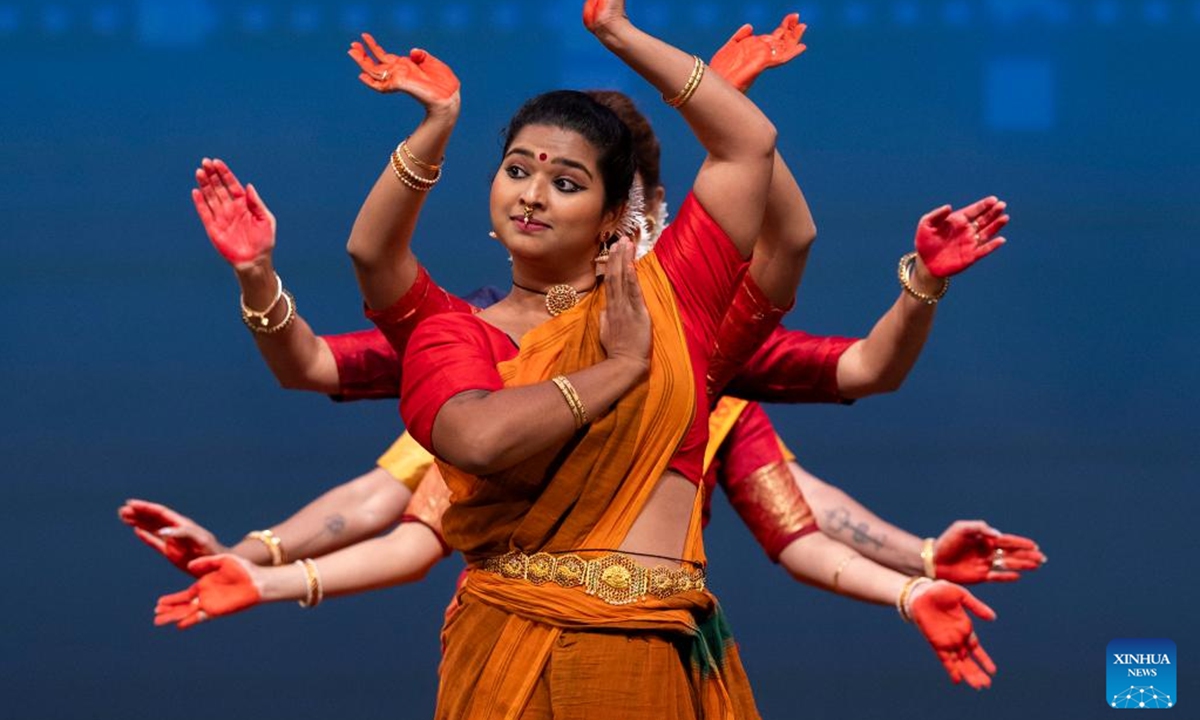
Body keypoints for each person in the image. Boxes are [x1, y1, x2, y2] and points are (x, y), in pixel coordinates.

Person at [143, 14, 1035, 695]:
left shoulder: (687, 326)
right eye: (519, 172)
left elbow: (804, 493)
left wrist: (915, 568)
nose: (535, 196)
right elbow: (399, 489)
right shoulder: (463, 338)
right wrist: (256, 558)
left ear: (626, 213)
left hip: (649, 646)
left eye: (570, 182)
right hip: (511, 640)